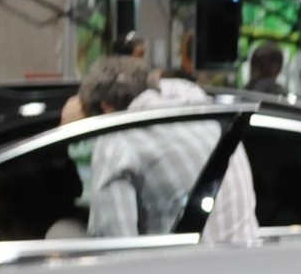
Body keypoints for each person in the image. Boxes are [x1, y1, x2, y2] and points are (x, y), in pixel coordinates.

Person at [76, 55, 259, 245]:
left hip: (191, 270)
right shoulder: (199, 104)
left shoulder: (115, 141)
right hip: (253, 261)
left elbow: (114, 245)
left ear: (106, 108)